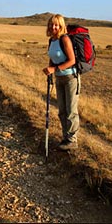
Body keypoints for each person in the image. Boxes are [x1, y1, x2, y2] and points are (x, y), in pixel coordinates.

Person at [42, 14, 79, 151]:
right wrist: (50, 71)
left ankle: (72, 140)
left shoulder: (65, 39)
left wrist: (55, 68)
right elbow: (52, 58)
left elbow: (72, 60)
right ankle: (66, 138)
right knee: (62, 111)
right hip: (59, 78)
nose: (54, 27)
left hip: (71, 78)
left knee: (71, 111)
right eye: (51, 24)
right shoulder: (52, 40)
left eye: (56, 25)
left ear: (61, 26)